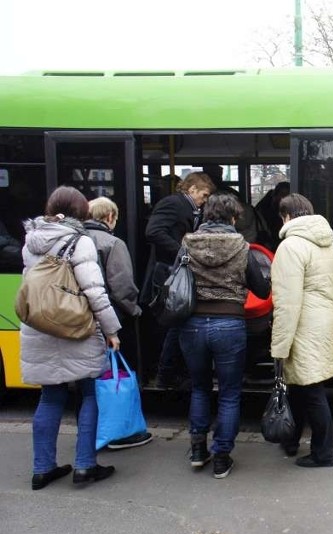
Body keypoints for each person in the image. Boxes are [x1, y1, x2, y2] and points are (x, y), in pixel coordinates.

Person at [21, 186, 122, 489]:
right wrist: (112, 330)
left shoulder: (31, 243)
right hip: (76, 327)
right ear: (81, 212)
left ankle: (42, 469)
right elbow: (94, 292)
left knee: (50, 396)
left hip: (40, 326)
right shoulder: (81, 243)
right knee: (90, 394)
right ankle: (84, 465)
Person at [179, 193, 270, 479]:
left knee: (200, 388)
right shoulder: (241, 247)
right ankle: (221, 457)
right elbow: (261, 289)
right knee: (229, 393)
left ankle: (197, 451)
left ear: (206, 215)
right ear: (233, 218)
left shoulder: (187, 243)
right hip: (229, 323)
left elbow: (176, 279)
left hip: (192, 323)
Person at [270, 194, 333, 468]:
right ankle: (291, 440)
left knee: (311, 390)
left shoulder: (291, 247)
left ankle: (325, 453)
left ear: (286, 216)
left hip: (304, 323)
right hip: (325, 320)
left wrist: (279, 346)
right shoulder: (328, 244)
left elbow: (288, 302)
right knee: (301, 386)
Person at [85, 197, 152, 450]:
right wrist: (135, 310)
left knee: (92, 381)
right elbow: (122, 286)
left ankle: (93, 433)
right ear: (110, 217)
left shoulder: (74, 241)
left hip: (80, 320)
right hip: (111, 319)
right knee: (114, 377)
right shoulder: (112, 243)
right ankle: (119, 432)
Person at [142, 172, 215, 389]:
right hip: (167, 273)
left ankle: (173, 372)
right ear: (191, 189)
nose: (204, 201)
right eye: (203, 195)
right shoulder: (172, 204)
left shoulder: (191, 209)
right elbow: (153, 232)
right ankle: (167, 373)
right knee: (175, 323)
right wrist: (183, 250)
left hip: (177, 272)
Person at [255, 181, 290, 250]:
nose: (285, 198)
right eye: (283, 194)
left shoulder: (281, 207)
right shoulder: (264, 208)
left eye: (288, 195)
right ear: (275, 195)